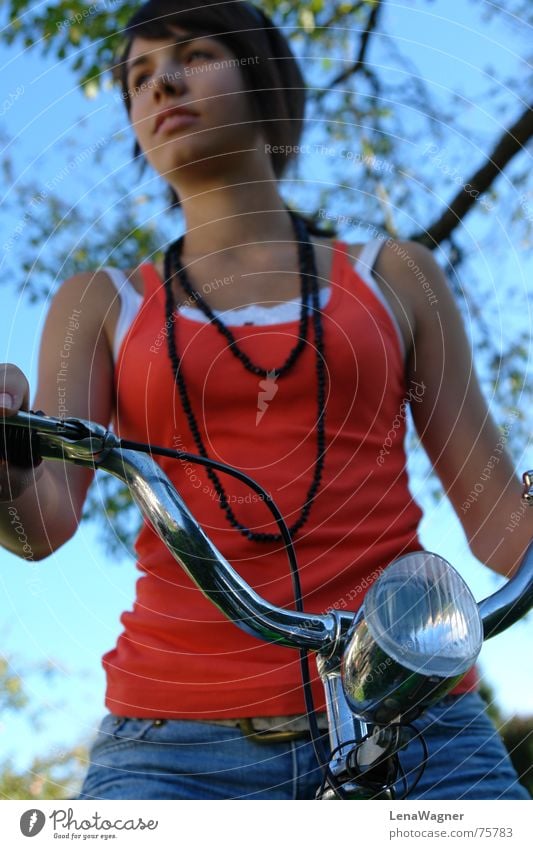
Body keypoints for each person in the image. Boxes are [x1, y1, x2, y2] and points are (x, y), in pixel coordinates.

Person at [0, 0, 531, 800]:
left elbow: (501, 527)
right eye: (138, 76)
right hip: (168, 747)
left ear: (265, 82)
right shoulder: (97, 303)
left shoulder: (398, 276)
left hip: (417, 722)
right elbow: (38, 525)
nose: (162, 83)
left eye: (194, 53)